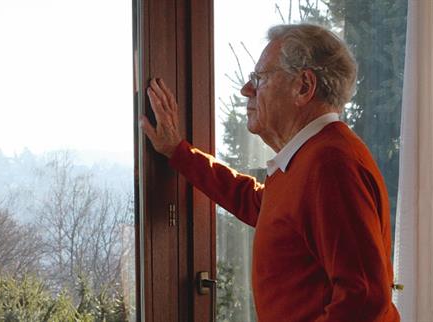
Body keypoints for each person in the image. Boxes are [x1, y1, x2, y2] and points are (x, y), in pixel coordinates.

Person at [140, 24, 400, 322]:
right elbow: (261, 206)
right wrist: (178, 152)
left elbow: (365, 297)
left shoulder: (331, 163)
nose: (246, 89)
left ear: (303, 86)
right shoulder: (311, 156)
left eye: (259, 79)